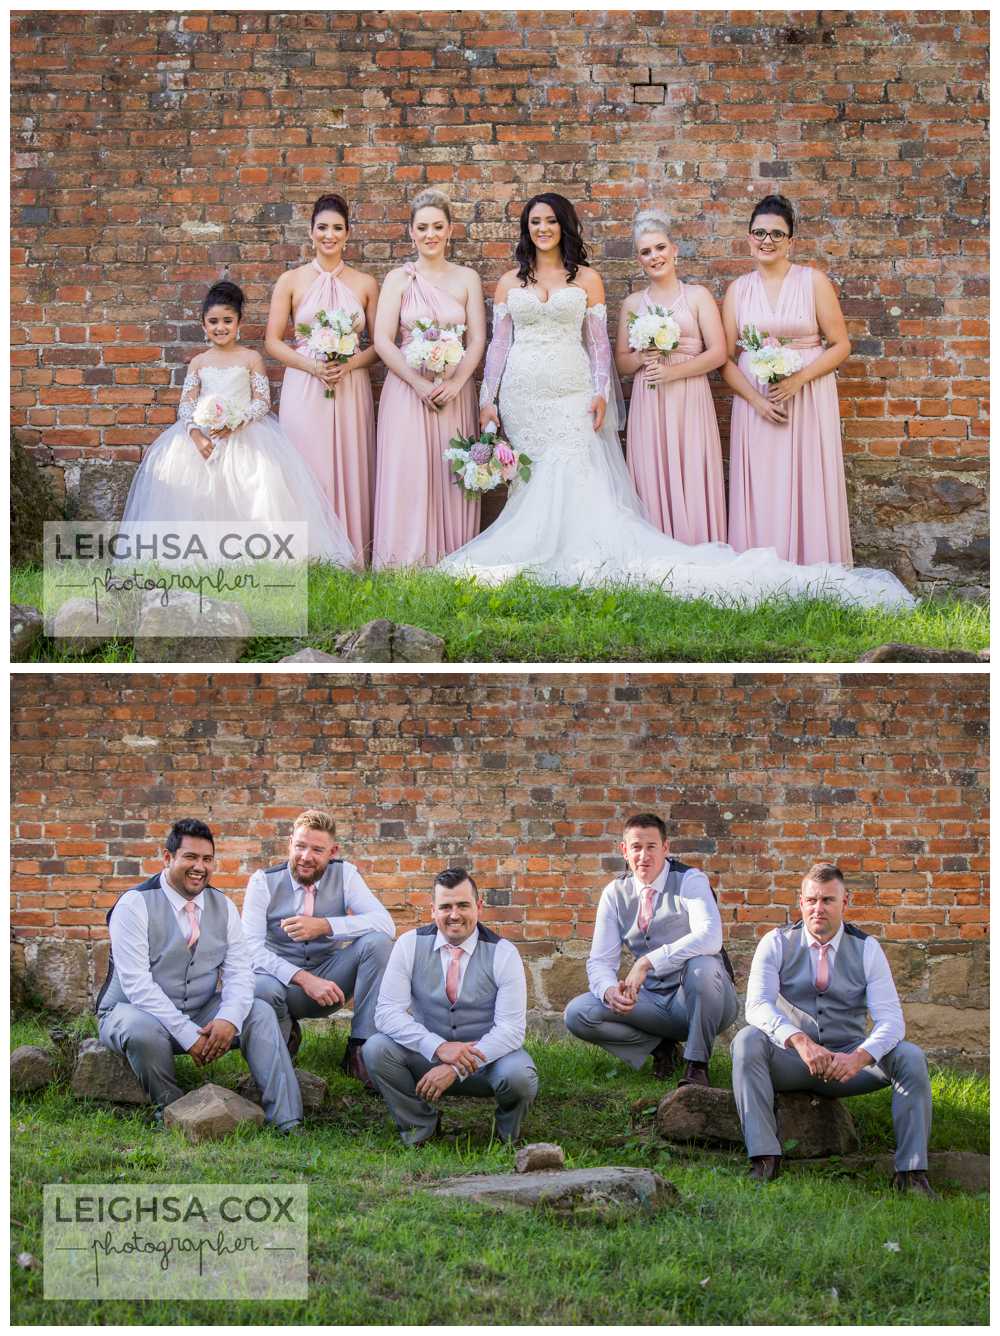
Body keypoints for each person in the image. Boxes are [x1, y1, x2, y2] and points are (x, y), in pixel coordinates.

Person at [437, 194, 913, 611]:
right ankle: (538, 546)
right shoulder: (506, 283)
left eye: (551, 221)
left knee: (574, 470)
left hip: (573, 390)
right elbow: (499, 345)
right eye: (535, 222)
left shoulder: (588, 279)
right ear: (526, 229)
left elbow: (600, 347)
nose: (543, 229)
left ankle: (581, 553)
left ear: (565, 227)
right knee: (533, 477)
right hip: (523, 394)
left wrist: (601, 391)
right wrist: (487, 401)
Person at [120, 279, 358, 565]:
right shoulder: (199, 362)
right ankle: (200, 553)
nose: (221, 328)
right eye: (214, 322)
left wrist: (237, 421)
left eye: (227, 321)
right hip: (204, 436)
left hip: (245, 434)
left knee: (257, 489)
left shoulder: (250, 358)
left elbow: (261, 401)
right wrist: (195, 432)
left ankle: (257, 552)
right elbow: (187, 403)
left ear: (238, 323)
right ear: (203, 325)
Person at [732, 862, 934, 1192]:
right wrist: (799, 1041)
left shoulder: (867, 948)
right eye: (811, 900)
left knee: (911, 1056)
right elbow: (756, 1006)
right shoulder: (776, 942)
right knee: (746, 1041)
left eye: (827, 900)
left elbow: (892, 1021)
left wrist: (859, 1057)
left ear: (845, 902)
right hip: (794, 1061)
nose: (818, 908)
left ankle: (911, 1174)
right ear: (800, 902)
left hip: (849, 1068)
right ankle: (765, 1158)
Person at [96, 818, 302, 1131]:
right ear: (167, 858)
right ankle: (173, 1110)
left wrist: (228, 1019)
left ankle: (288, 1120)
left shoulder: (223, 906)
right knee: (141, 1029)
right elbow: (137, 986)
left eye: (207, 859)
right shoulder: (134, 905)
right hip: (131, 1012)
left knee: (258, 1011)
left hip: (199, 1010)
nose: (200, 867)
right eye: (190, 857)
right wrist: (188, 1035)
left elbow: (240, 973)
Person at [722, 193, 853, 565]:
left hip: (808, 397)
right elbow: (725, 359)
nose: (767, 241)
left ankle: (811, 562)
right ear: (748, 237)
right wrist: (757, 400)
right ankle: (762, 562)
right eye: (759, 232)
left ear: (791, 241)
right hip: (757, 405)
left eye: (777, 234)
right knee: (763, 482)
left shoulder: (813, 282)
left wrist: (799, 380)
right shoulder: (738, 290)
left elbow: (840, 344)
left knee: (808, 479)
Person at [363, 868, 538, 1146]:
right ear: (432, 910)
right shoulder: (409, 945)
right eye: (445, 906)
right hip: (427, 1058)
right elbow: (386, 1014)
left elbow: (511, 1031)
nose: (454, 915)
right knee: (376, 1048)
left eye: (463, 905)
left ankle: (506, 1138)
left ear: (478, 907)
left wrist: (456, 1068)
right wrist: (438, 1047)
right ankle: (422, 1129)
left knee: (520, 1076)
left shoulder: (503, 953)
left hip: (487, 1064)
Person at [564, 813, 738, 1086]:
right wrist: (609, 991)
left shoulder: (690, 880)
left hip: (704, 999)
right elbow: (599, 961)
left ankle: (697, 1066)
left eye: (651, 847)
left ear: (665, 848)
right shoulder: (615, 893)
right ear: (624, 850)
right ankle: (661, 1048)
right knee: (578, 1014)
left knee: (702, 966)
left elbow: (710, 937)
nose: (643, 856)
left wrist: (646, 962)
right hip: (655, 1003)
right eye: (636, 847)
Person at [371, 189, 486, 567]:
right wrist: (417, 383)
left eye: (438, 226)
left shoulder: (467, 278)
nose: (430, 234)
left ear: (450, 230)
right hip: (407, 390)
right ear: (411, 232)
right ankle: (404, 560)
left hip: (454, 391)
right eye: (423, 228)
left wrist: (456, 384)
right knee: (409, 472)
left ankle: (454, 558)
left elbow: (478, 339)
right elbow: (383, 341)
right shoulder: (397, 279)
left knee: (449, 471)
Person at [242, 809, 395, 1089]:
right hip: (282, 986)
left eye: (317, 849)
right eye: (300, 846)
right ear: (290, 843)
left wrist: (325, 925)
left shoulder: (345, 874)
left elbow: (385, 924)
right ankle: (283, 1040)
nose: (305, 857)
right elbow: (249, 950)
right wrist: (302, 977)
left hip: (330, 983)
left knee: (378, 943)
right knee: (260, 986)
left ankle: (359, 1050)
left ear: (332, 851)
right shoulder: (262, 881)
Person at [265, 193, 379, 559]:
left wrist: (350, 364)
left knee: (349, 462)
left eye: (337, 228)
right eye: (322, 228)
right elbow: (272, 342)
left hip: (350, 385)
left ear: (348, 234)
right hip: (305, 383)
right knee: (305, 462)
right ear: (311, 232)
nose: (329, 235)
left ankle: (349, 549)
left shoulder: (365, 283)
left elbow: (380, 346)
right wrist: (312, 366)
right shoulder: (291, 280)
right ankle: (307, 552)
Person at [615, 208, 727, 544]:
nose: (655, 257)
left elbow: (718, 353)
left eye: (660, 248)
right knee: (653, 472)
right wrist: (641, 357)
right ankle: (657, 546)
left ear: (674, 250)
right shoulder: (633, 304)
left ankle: (698, 543)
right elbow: (621, 364)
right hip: (649, 397)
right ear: (639, 260)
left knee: (691, 467)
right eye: (646, 252)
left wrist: (672, 372)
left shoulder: (697, 297)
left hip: (689, 395)